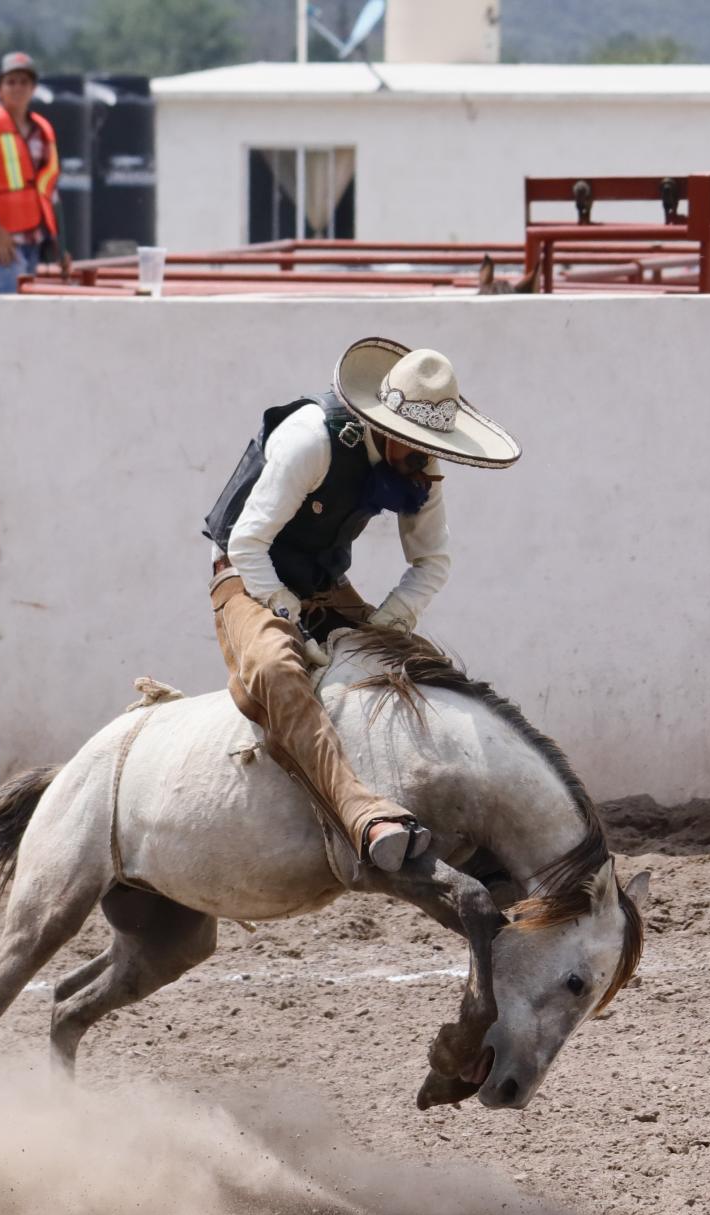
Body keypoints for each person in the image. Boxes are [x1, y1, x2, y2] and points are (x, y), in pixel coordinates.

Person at [203, 339, 520, 871]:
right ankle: (358, 814)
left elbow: (432, 562)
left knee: (424, 668)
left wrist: (383, 627)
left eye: (431, 444)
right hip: (247, 574)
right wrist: (294, 625)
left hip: (324, 579)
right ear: (385, 428)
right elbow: (247, 544)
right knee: (279, 668)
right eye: (414, 443)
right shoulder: (311, 441)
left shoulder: (421, 465)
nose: (425, 459)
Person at [0, 51, 72, 293]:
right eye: (11, 82)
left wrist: (59, 245)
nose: (18, 88)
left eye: (24, 82)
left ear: (33, 88)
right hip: (0, 239)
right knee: (14, 302)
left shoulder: (42, 130)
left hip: (33, 239)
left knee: (26, 305)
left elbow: (49, 193)